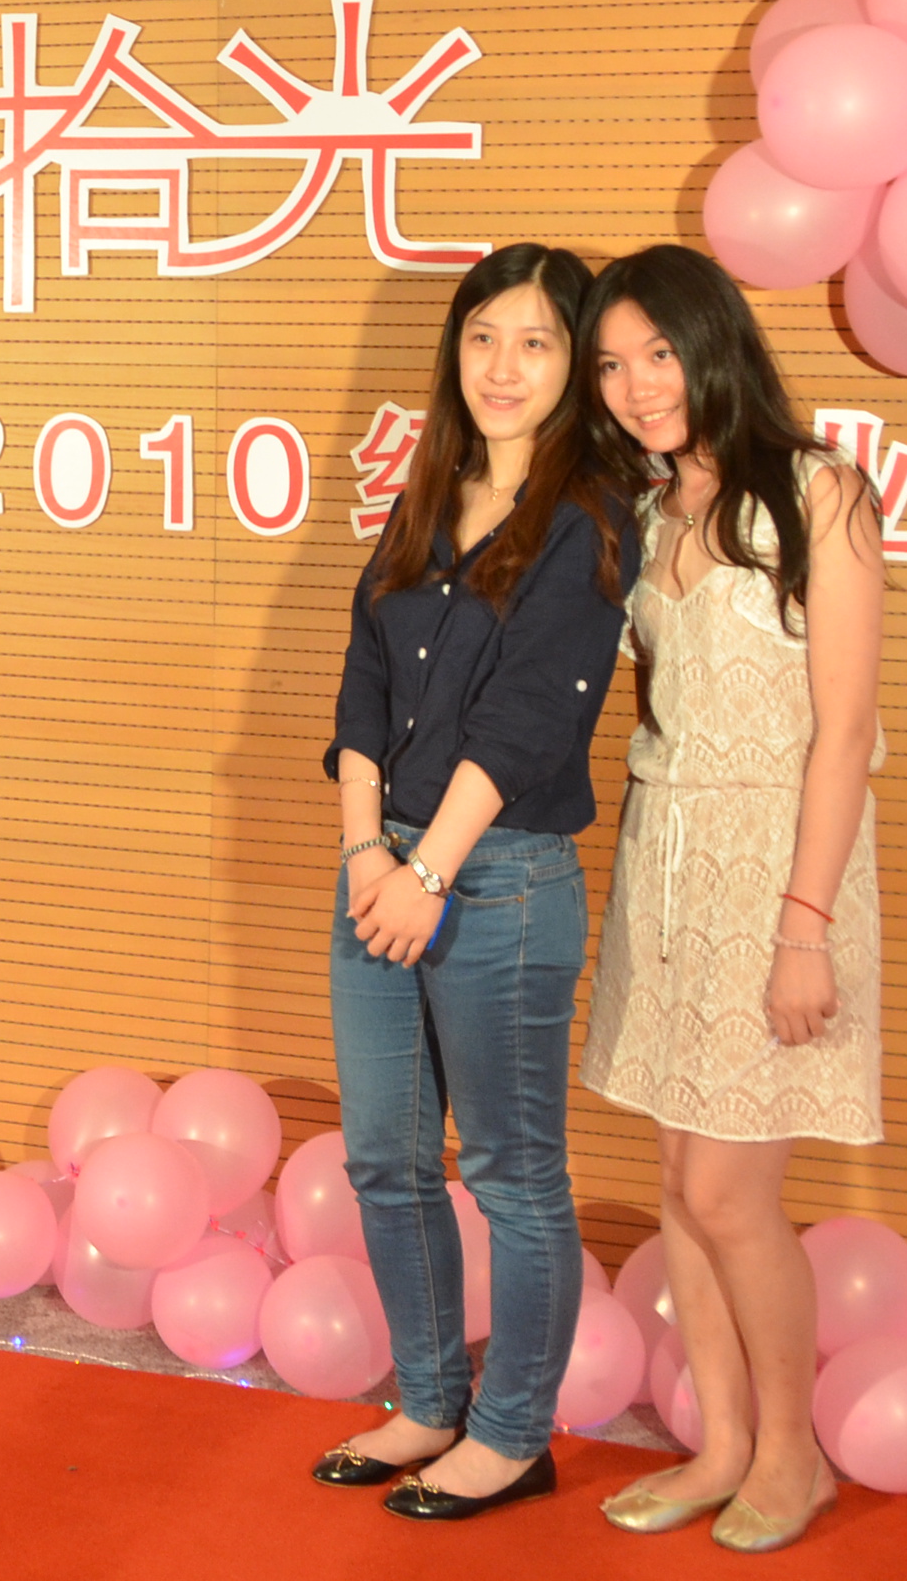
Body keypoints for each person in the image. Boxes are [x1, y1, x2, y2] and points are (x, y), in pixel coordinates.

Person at [316, 242, 637, 1521]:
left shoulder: (586, 519)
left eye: (537, 342)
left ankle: (511, 1436)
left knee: (512, 1175)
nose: (503, 367)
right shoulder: (427, 492)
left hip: (494, 883)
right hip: (378, 869)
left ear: (574, 366)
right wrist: (367, 854)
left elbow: (526, 724)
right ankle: (431, 1401)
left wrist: (428, 872)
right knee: (385, 1162)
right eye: (483, 336)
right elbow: (362, 681)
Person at [575, 244, 885, 1554]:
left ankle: (792, 1457)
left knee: (728, 1192)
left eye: (659, 353)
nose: (639, 386)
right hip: (666, 863)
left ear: (714, 345)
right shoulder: (649, 514)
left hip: (779, 875)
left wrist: (805, 927)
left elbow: (846, 729)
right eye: (612, 365)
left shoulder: (820, 492)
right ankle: (720, 1446)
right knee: (676, 1177)